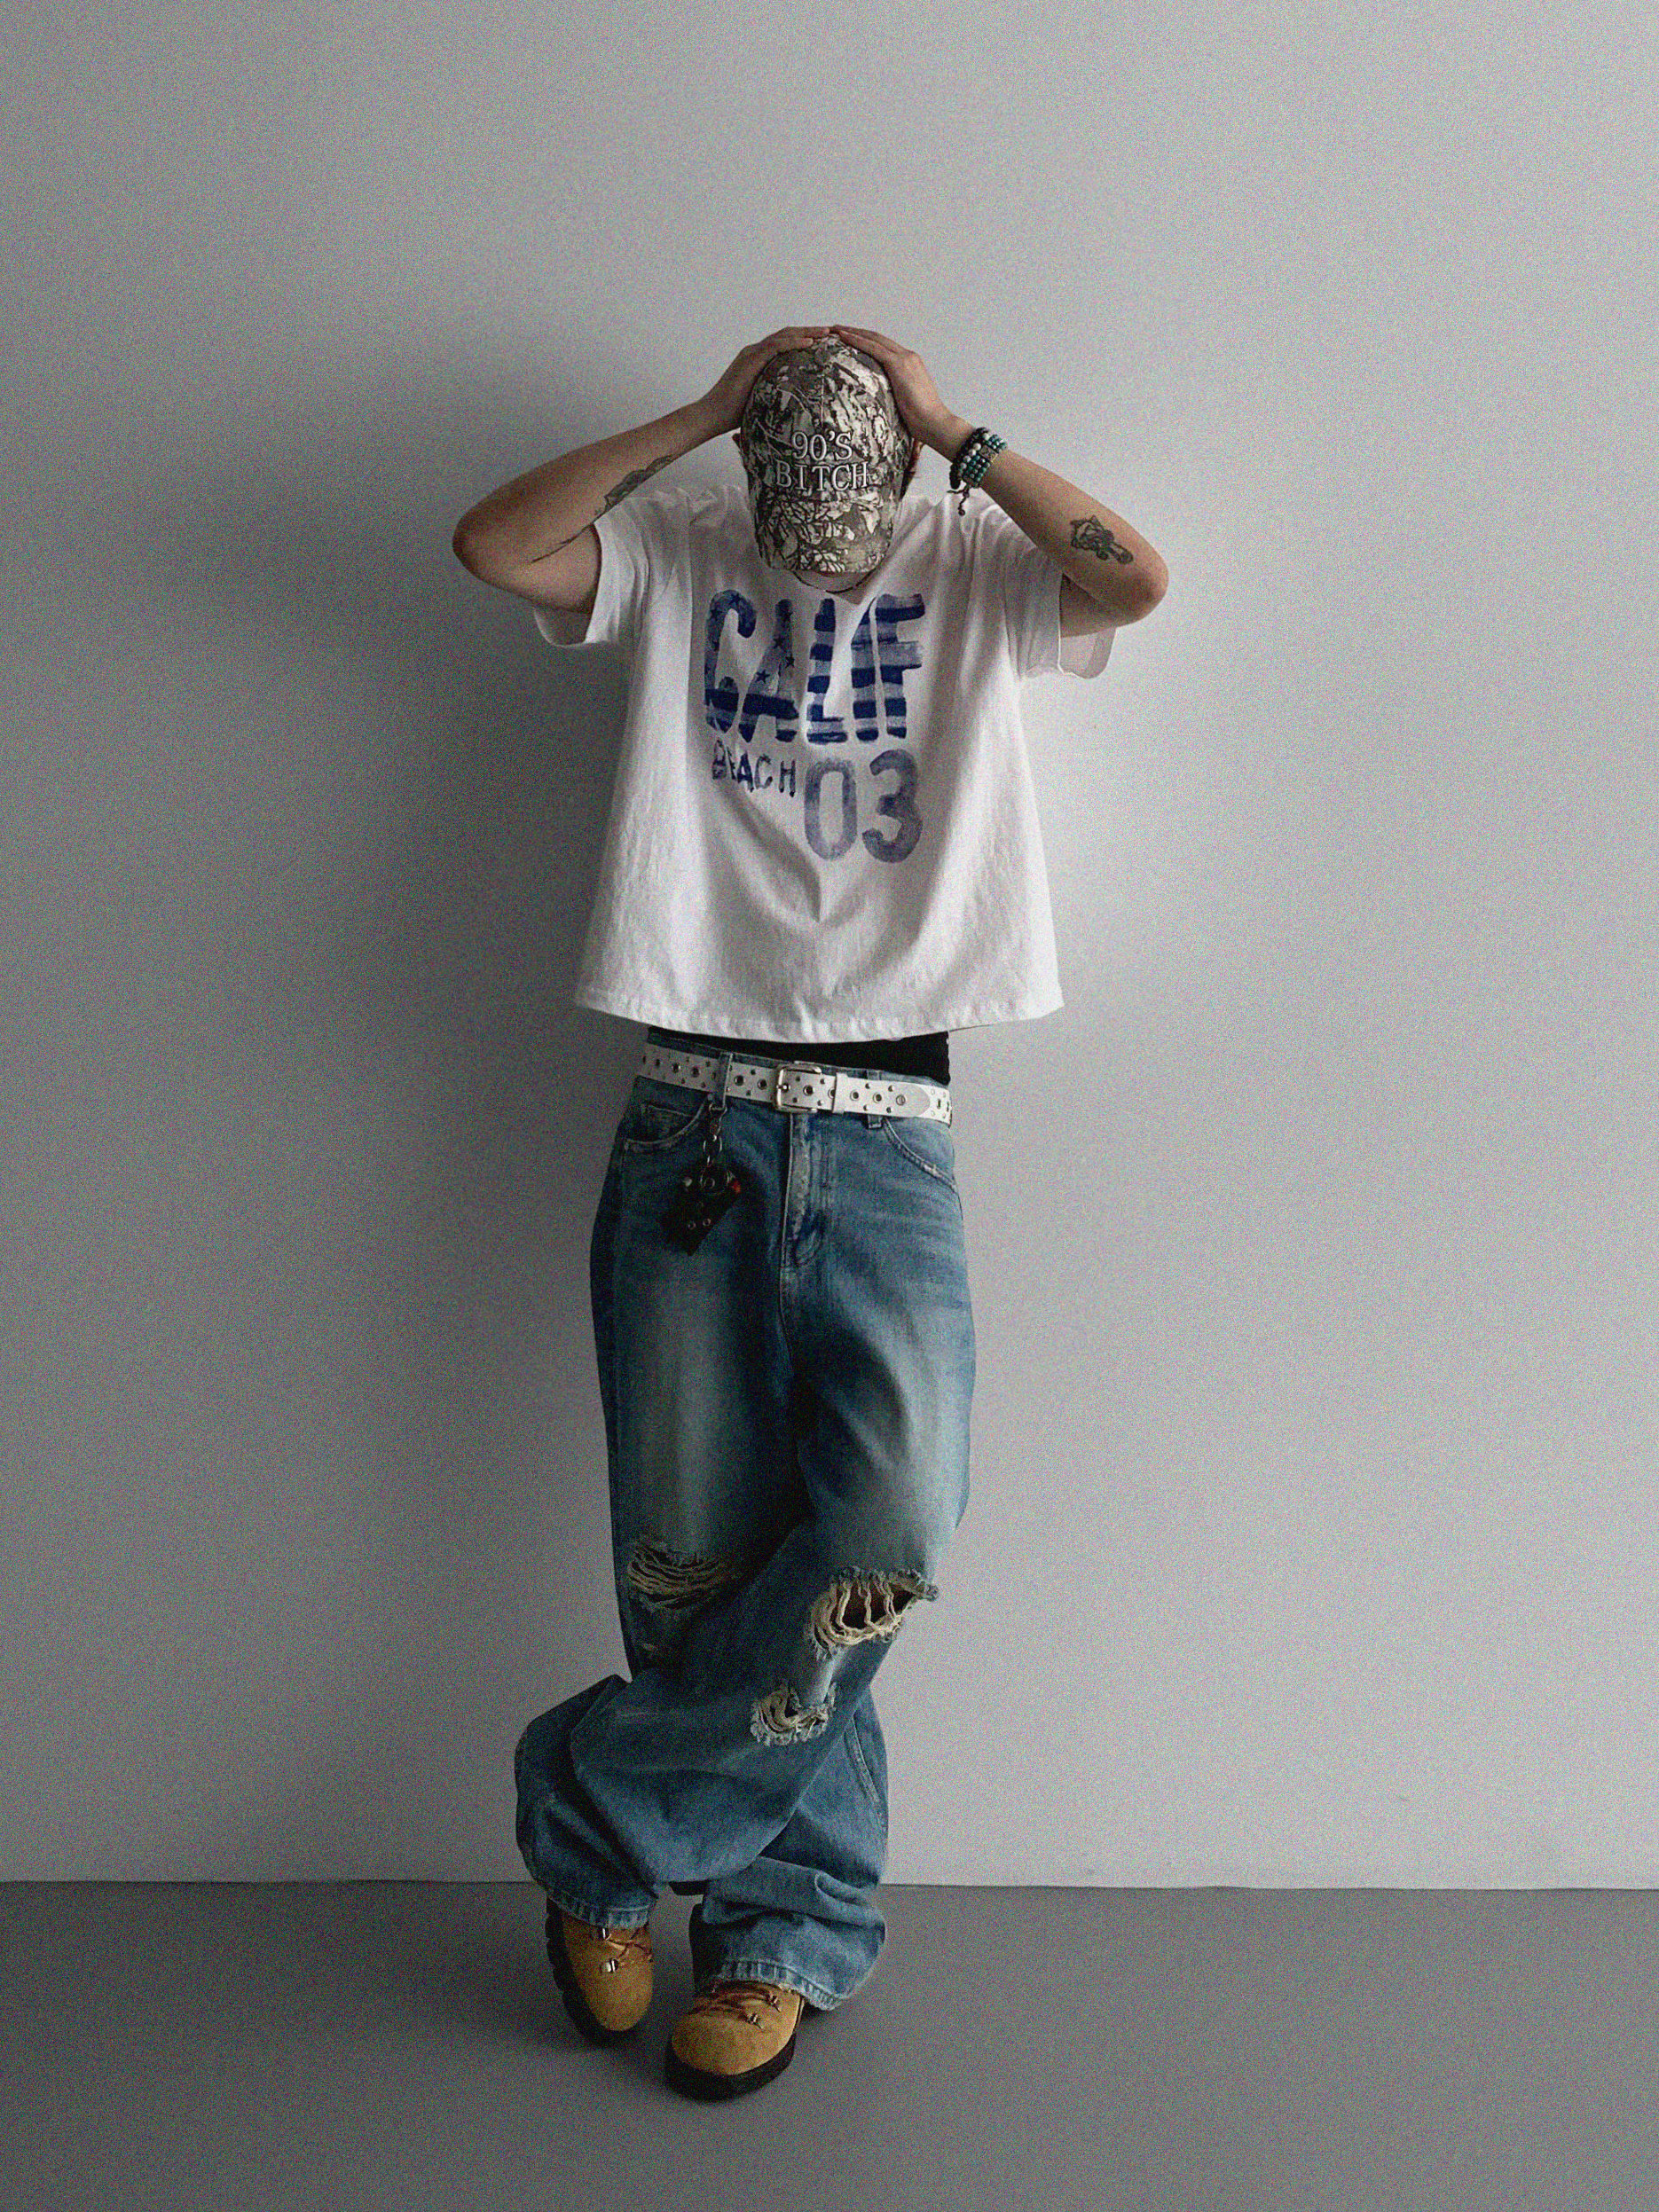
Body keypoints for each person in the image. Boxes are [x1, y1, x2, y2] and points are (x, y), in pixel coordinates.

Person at [451, 324, 1168, 2100]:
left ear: (906, 467)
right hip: (689, 1110)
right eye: (789, 468)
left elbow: (1135, 579)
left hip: (890, 1123)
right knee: (690, 1558)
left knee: (888, 1523)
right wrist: (705, 411)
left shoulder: (969, 560)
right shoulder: (684, 544)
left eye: (863, 470)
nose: (823, 510)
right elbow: (491, 544)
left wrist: (952, 426)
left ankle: (596, 1820)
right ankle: (783, 1927)